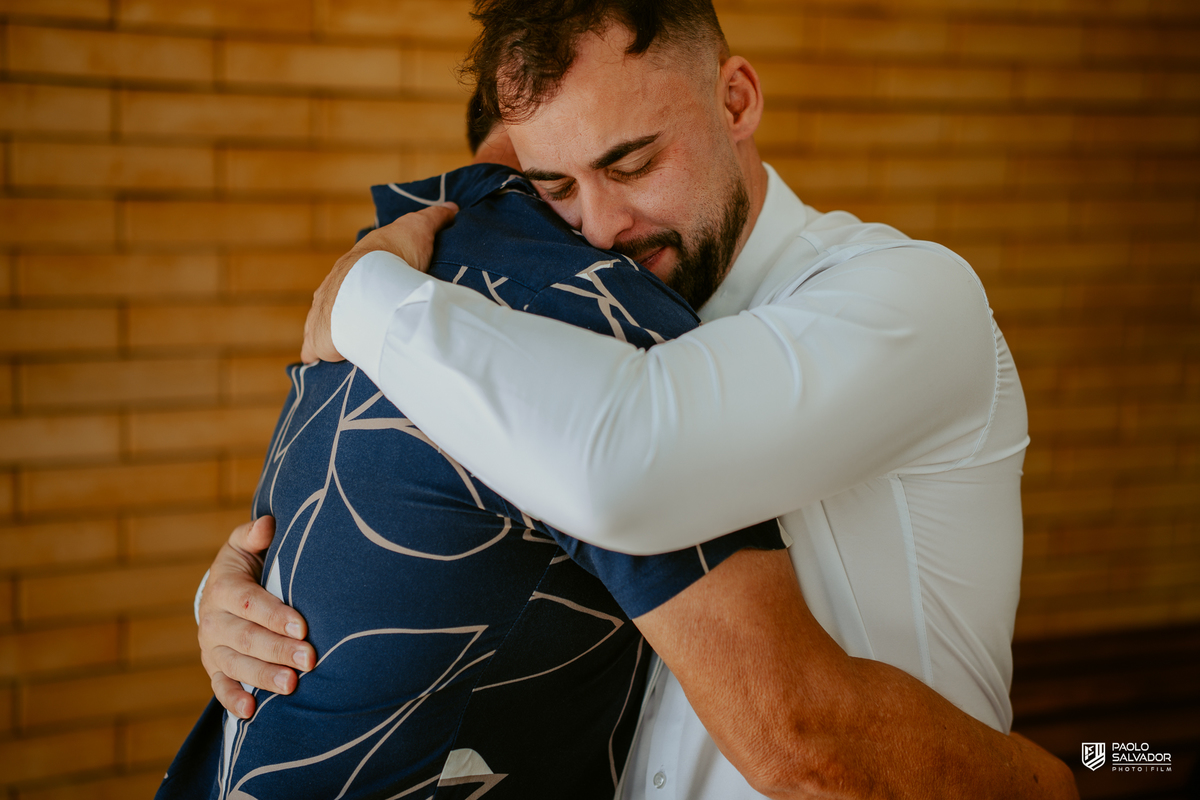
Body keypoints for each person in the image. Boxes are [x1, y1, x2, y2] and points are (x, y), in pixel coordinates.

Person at [198, 1, 1080, 796]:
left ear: (735, 102)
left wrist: (366, 294)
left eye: (633, 163)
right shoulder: (589, 331)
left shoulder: (908, 297)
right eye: (555, 190)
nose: (600, 227)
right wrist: (257, 607)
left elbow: (627, 465)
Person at [162, 158, 787, 799]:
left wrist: (215, 594)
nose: (603, 223)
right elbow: (789, 737)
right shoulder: (595, 302)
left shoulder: (372, 279)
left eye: (633, 166)